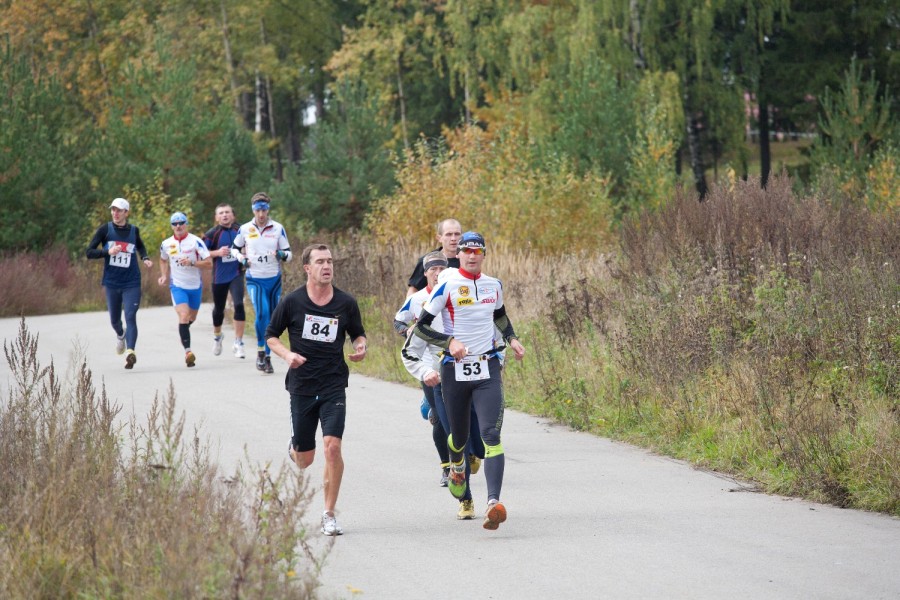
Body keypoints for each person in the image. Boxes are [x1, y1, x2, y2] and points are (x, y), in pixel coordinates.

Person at [413, 231, 526, 531]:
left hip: (487, 367)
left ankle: (493, 504)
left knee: (491, 433)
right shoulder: (447, 286)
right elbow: (421, 328)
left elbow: (500, 316)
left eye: (478, 251)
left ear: (484, 255)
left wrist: (512, 339)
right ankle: (457, 467)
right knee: (460, 438)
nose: (473, 256)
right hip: (455, 370)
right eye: (467, 251)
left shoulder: (493, 286)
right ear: (459, 254)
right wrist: (449, 341)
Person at [266, 243, 367, 536]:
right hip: (302, 385)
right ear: (307, 268)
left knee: (332, 447)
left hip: (334, 383)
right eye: (320, 261)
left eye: (330, 261)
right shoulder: (292, 301)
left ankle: (328, 514)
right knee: (304, 460)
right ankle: (295, 447)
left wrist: (360, 345)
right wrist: (287, 355)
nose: (327, 266)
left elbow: (357, 333)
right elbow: (271, 336)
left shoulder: (346, 303)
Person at [398, 251, 486, 520]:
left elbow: (488, 326)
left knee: (479, 440)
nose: (437, 272)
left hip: (469, 373)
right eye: (432, 268)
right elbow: (401, 328)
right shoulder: (418, 301)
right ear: (425, 273)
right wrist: (410, 331)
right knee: (451, 433)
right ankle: (463, 495)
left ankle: (472, 454)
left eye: (441, 268)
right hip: (437, 376)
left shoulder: (464, 298)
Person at [85, 197, 154, 369]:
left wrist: (145, 258)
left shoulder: (134, 231)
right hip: (112, 282)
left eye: (119, 210)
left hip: (132, 282)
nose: (115, 213)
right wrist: (108, 251)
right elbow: (89, 252)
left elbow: (140, 246)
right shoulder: (105, 230)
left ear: (126, 213)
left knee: (130, 315)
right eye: (113, 210)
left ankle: (131, 352)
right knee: (115, 320)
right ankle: (120, 335)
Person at [231, 192, 293, 374]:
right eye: (258, 210)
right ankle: (259, 352)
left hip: (273, 279)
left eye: (264, 209)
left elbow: (289, 255)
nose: (261, 214)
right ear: (253, 210)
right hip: (254, 278)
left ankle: (267, 356)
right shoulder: (244, 229)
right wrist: (241, 258)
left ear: (268, 209)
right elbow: (234, 249)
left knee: (273, 318)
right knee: (262, 312)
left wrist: (281, 255)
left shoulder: (277, 228)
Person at [158, 212, 212, 367]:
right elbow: (162, 259)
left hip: (195, 286)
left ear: (186, 224)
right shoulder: (166, 243)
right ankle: (188, 352)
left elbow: (209, 263)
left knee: (191, 318)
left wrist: (192, 263)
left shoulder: (196, 241)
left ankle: (183, 333)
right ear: (171, 226)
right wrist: (163, 275)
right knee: (183, 315)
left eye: (181, 223)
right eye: (174, 224)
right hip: (178, 286)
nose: (178, 226)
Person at [203, 203, 247, 359]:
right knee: (219, 309)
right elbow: (202, 252)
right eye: (221, 213)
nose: (224, 215)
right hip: (219, 277)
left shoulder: (241, 230)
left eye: (227, 212)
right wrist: (217, 252)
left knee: (239, 305)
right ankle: (217, 336)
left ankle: (238, 342)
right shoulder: (211, 234)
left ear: (233, 215)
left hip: (236, 274)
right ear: (216, 217)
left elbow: (251, 244)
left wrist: (245, 252)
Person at [405, 218, 462, 297]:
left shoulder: (468, 260)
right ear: (439, 238)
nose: (453, 238)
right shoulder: (428, 260)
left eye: (457, 234)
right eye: (448, 234)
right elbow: (413, 291)